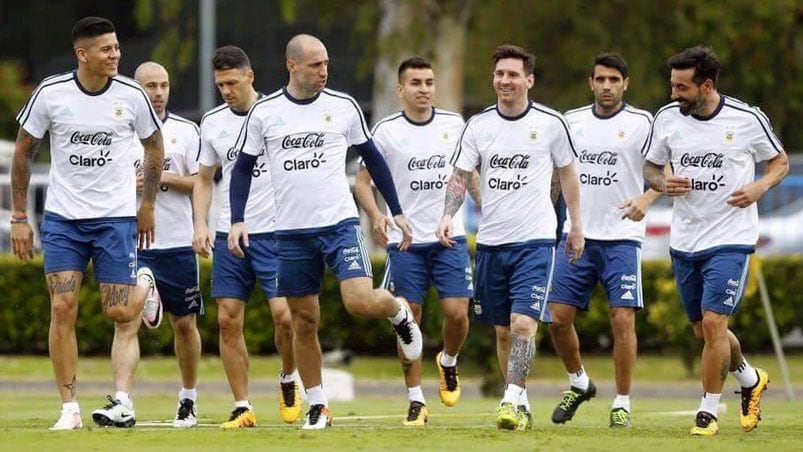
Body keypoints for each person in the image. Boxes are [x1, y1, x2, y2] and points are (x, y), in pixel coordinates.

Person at [228, 34, 423, 430]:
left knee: (358, 301)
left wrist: (396, 211)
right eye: (316, 65)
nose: (324, 72)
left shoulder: (344, 106)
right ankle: (318, 405)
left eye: (326, 64)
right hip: (291, 232)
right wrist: (237, 219)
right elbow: (242, 169)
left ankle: (398, 311)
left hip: (339, 224)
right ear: (292, 66)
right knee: (304, 321)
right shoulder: (265, 113)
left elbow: (374, 160)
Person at [10, 16, 163, 430]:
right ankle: (70, 409)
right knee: (62, 307)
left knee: (118, 310)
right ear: (82, 54)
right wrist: (20, 216)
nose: (115, 55)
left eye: (116, 47)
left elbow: (154, 147)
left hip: (115, 219)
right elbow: (23, 153)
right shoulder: (51, 93)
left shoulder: (132, 95)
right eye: (106, 49)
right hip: (63, 220)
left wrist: (146, 203)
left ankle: (144, 283)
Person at [437, 44, 584, 431]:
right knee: (504, 331)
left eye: (513, 74)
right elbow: (461, 175)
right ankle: (519, 399)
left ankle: (510, 398)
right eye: (500, 73)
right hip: (491, 243)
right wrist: (447, 216)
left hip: (535, 242)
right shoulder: (478, 126)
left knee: (523, 324)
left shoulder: (552, 124)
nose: (505, 80)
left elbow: (567, 174)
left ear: (529, 80)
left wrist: (576, 226)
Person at [643, 45, 787, 436]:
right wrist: (663, 183)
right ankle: (749, 379)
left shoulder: (746, 119)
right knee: (705, 331)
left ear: (706, 85)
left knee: (713, 322)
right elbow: (652, 167)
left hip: (731, 238)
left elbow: (780, 163)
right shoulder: (667, 118)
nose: (674, 94)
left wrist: (758, 187)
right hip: (685, 238)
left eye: (682, 87)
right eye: (673, 86)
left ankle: (707, 413)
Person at [354, 56, 479, 426]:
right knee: (410, 318)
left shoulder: (455, 125)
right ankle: (415, 399)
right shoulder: (386, 131)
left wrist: (485, 205)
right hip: (404, 242)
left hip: (449, 236)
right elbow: (363, 182)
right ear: (400, 90)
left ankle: (448, 361)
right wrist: (377, 216)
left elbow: (467, 173)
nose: (423, 89)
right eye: (415, 83)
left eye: (428, 82)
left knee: (457, 314)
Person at [192, 46, 300, 429]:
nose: (226, 90)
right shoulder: (213, 122)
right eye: (220, 84)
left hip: (274, 232)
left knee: (284, 317)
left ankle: (289, 377)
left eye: (232, 83)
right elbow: (204, 179)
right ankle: (242, 405)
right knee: (227, 319)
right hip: (229, 235)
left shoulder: (276, 113)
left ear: (250, 77)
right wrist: (201, 225)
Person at [547, 53, 657, 428]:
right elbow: (556, 174)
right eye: (600, 79)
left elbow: (665, 171)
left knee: (622, 318)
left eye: (614, 79)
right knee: (558, 320)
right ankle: (579, 382)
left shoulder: (643, 123)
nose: (607, 86)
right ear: (590, 83)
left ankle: (622, 402)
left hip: (622, 237)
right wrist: (550, 215)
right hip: (576, 234)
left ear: (626, 83)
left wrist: (646, 198)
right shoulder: (570, 122)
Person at [125, 61, 203, 428]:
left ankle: (188, 398)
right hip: (132, 241)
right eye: (151, 86)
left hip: (176, 242)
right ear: (136, 88)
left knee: (184, 324)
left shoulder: (186, 131)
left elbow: (202, 182)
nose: (158, 93)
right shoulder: (120, 130)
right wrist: (133, 185)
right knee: (125, 321)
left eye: (164, 85)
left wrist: (160, 177)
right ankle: (123, 400)